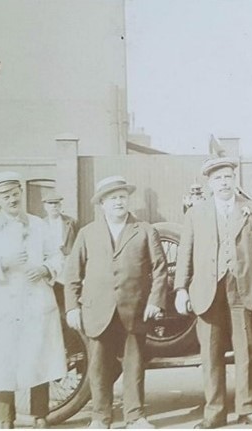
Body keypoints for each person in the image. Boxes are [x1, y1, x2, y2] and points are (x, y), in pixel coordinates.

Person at [173, 158, 252, 429]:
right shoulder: (196, 213)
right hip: (207, 290)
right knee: (210, 353)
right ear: (210, 183)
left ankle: (248, 409)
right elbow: (185, 253)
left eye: (228, 177)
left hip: (244, 287)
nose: (224, 183)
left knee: (247, 351)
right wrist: (181, 289)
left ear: (235, 180)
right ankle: (214, 412)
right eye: (218, 178)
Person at [62, 175, 168, 429]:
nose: (119, 202)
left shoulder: (145, 230)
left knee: (134, 366)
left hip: (134, 310)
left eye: (122, 197)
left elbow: (160, 269)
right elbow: (72, 274)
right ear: (102, 204)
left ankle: (135, 417)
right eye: (112, 198)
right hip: (97, 311)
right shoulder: (87, 233)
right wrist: (72, 307)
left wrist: (155, 301)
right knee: (98, 368)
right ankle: (100, 418)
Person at [0, 172, 67, 429]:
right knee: (3, 363)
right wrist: (3, 262)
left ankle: (40, 415)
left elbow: (57, 256)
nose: (13, 199)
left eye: (15, 193)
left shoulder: (38, 225)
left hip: (35, 304)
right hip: (1, 308)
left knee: (39, 358)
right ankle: (6, 419)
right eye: (6, 196)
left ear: (21, 193)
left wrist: (45, 269)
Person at [41, 192, 78, 257]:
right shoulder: (40, 224)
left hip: (67, 259)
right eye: (50, 203)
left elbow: (78, 242)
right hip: (48, 260)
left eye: (56, 203)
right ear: (45, 207)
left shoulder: (71, 222)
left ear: (60, 206)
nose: (54, 206)